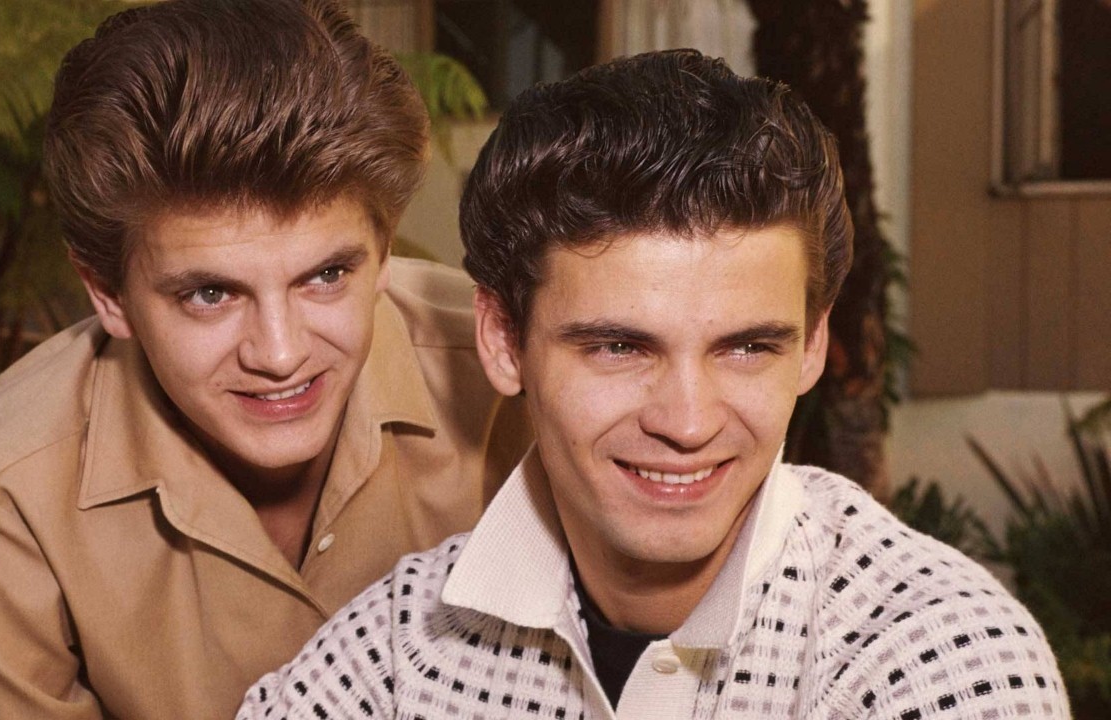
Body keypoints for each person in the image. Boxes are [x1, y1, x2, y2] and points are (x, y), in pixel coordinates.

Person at [238, 49, 1070, 719]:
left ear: (814, 345)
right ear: (502, 341)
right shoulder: (393, 652)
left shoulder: (940, 661)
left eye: (748, 348)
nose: (688, 421)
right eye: (618, 348)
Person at [0, 1, 530, 718]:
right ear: (108, 294)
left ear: (383, 254)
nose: (281, 354)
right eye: (210, 294)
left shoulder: (520, 372)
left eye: (326, 276)